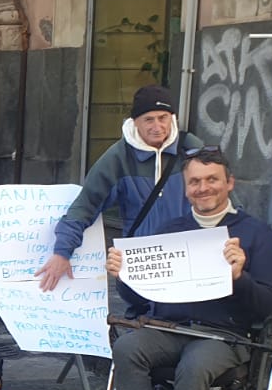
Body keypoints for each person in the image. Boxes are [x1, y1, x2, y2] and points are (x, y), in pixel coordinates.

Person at [102, 147, 272, 390]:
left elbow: (266, 306)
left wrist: (239, 278)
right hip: (170, 327)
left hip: (223, 336)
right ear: (186, 188)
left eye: (212, 179)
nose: (203, 188)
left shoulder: (255, 233)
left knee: (196, 366)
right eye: (195, 181)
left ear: (229, 183)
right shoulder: (172, 231)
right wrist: (123, 277)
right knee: (129, 348)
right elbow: (140, 297)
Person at [37, 84, 204, 291]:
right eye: (148, 119)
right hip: (143, 264)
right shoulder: (119, 157)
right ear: (135, 122)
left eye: (163, 117)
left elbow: (223, 197)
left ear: (172, 118)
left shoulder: (191, 148)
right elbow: (85, 205)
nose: (157, 126)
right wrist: (62, 252)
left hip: (190, 256)